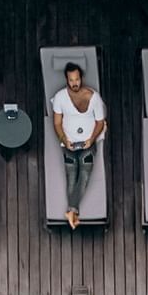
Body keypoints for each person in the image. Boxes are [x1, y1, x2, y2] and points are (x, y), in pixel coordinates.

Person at [51, 63, 107, 230]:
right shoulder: (60, 97)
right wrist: (63, 138)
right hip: (68, 144)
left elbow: (100, 122)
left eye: (77, 79)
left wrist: (91, 139)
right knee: (71, 176)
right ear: (67, 80)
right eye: (71, 80)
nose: (74, 83)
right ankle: (72, 212)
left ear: (81, 78)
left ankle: (72, 211)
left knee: (83, 175)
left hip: (87, 144)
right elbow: (57, 123)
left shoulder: (93, 97)